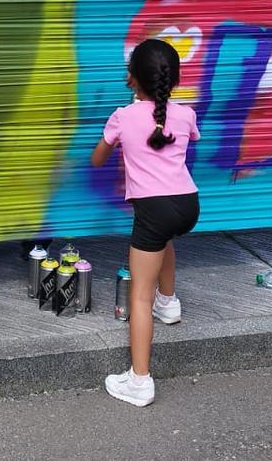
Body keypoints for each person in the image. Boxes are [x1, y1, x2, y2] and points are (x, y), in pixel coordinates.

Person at [90, 38, 201, 407]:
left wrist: (119, 129)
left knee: (139, 294)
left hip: (154, 209)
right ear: (173, 78)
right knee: (163, 239)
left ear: (132, 78)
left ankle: (139, 381)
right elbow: (186, 138)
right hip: (187, 204)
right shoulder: (185, 113)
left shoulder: (123, 116)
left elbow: (97, 159)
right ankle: (168, 303)